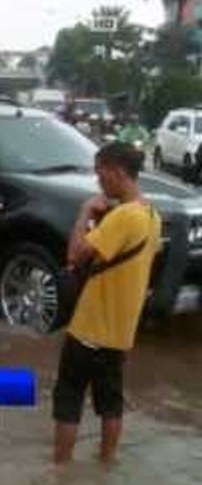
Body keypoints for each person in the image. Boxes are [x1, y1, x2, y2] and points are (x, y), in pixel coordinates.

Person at [53, 141, 162, 466]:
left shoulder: (123, 216)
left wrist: (86, 212)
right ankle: (106, 464)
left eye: (101, 174)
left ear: (118, 172)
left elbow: (75, 255)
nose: (98, 182)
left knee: (69, 399)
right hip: (121, 333)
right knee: (110, 403)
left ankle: (60, 468)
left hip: (90, 327)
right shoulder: (152, 216)